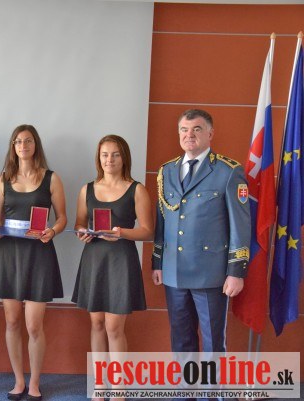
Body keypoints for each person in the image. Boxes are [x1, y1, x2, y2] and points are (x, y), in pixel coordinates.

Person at [151, 109, 250, 359]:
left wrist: (236, 272)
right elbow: (162, 221)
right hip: (174, 270)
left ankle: (211, 386)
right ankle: (186, 384)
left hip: (210, 273)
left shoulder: (228, 171)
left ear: (210, 133)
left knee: (213, 342)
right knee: (181, 338)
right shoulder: (167, 171)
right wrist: (157, 262)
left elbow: (240, 225)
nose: (189, 135)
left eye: (197, 129)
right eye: (184, 130)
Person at [0, 124, 67, 401]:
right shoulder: (2, 179)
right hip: (9, 254)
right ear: (13, 146)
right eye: (18, 141)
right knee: (11, 322)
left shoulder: (51, 178)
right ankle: (18, 381)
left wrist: (52, 231)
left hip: (39, 254)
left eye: (28, 141)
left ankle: (34, 383)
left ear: (35, 145)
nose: (23, 145)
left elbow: (62, 218)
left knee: (33, 326)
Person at [72, 135, 153, 400]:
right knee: (96, 324)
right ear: (99, 158)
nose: (109, 160)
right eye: (105, 154)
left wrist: (122, 233)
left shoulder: (137, 189)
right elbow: (79, 223)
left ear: (124, 157)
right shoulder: (87, 189)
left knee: (114, 327)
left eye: (115, 154)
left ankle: (119, 390)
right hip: (94, 260)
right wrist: (82, 232)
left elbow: (148, 231)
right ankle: (99, 386)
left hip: (121, 261)